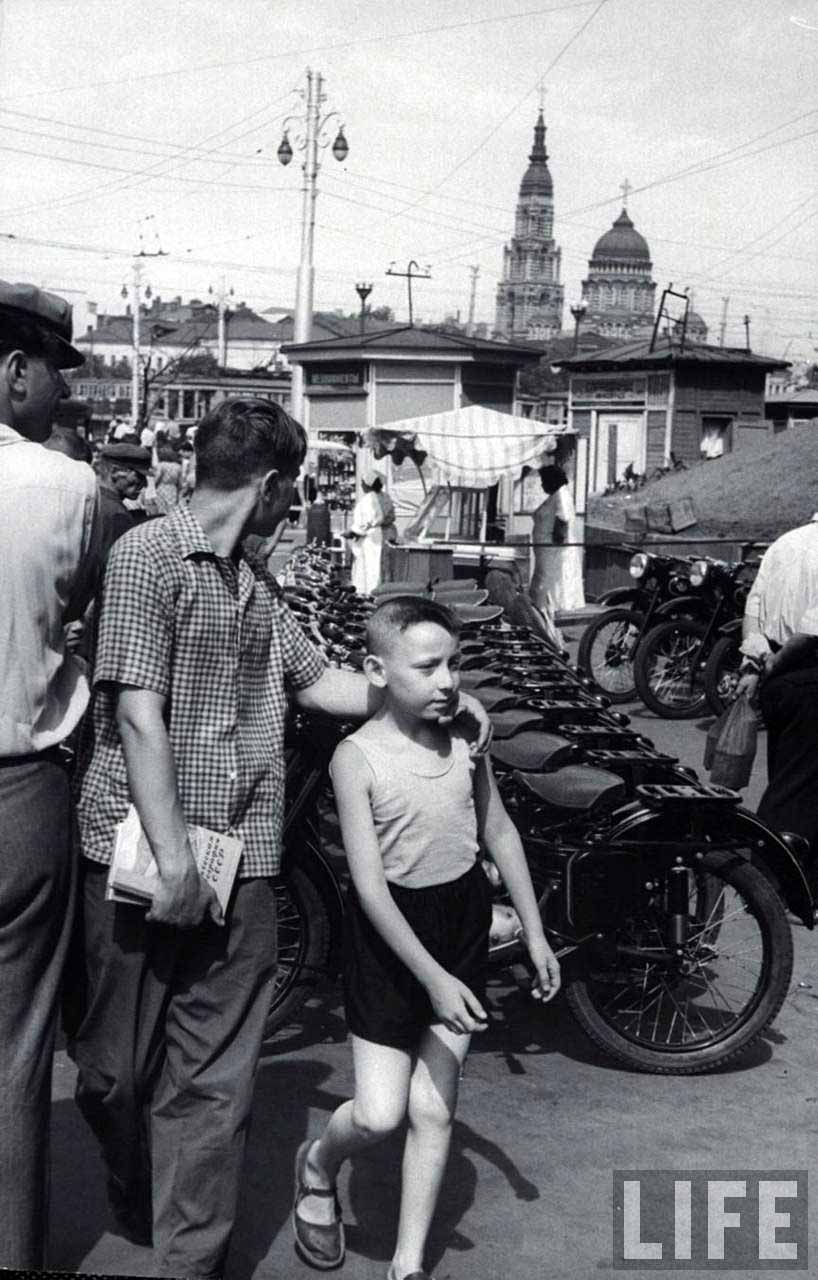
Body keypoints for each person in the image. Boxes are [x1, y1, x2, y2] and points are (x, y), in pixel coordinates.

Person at [68, 398, 492, 1278]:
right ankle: (134, 1176)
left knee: (214, 1089)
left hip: (247, 864)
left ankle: (192, 1260)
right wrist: (177, 859)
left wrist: (423, 696)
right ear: (267, 486)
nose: (292, 507)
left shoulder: (255, 584)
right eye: (289, 492)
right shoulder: (145, 558)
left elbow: (320, 683)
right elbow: (139, 719)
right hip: (139, 861)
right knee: (112, 1075)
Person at [292, 596, 560, 1280]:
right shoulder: (357, 758)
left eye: (454, 664)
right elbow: (371, 888)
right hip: (389, 943)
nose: (447, 681)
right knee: (381, 1115)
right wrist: (434, 980)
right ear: (376, 670)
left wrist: (534, 935)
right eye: (427, 666)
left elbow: (497, 830)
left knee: (435, 1109)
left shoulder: (467, 739)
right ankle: (317, 1164)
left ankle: (407, 1265)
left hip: (460, 925)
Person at [0, 280, 99, 1267]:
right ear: (14, 369)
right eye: (50, 378)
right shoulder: (67, 487)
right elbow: (99, 624)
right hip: (15, 791)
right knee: (15, 1053)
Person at [737, 520, 818, 883]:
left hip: (778, 683)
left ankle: (799, 877)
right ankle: (764, 878)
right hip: (807, 677)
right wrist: (775, 661)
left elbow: (753, 609)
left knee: (786, 774)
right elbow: (809, 632)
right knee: (793, 788)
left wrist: (754, 664)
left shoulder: (784, 543)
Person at [529, 463, 585, 615]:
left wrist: (556, 543)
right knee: (544, 587)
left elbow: (563, 519)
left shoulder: (562, 495)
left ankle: (546, 616)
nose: (541, 484)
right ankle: (543, 615)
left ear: (552, 480)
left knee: (550, 587)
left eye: (543, 480)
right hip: (545, 552)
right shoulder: (555, 496)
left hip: (553, 553)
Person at [96, 441, 154, 562]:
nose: (145, 483)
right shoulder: (117, 514)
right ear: (114, 472)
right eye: (138, 475)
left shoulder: (94, 499)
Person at [348, 469, 386, 594]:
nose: (361, 485)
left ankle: (369, 594)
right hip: (373, 537)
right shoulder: (374, 498)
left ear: (367, 484)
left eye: (362, 483)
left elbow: (365, 524)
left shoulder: (368, 501)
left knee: (369, 570)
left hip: (369, 540)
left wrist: (352, 531)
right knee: (371, 568)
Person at [152, 439, 184, 513]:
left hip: (161, 488)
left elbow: (157, 479)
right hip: (173, 489)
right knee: (172, 510)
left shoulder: (161, 465)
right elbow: (180, 483)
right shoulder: (178, 466)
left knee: (161, 510)